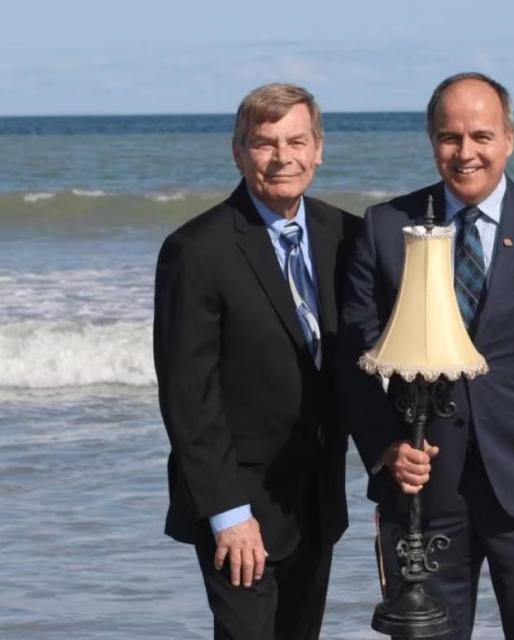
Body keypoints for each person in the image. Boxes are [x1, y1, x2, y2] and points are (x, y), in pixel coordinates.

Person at [339, 72, 514, 639]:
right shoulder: (386, 227)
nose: (466, 153)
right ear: (431, 141)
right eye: (450, 137)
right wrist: (387, 446)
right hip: (422, 492)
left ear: (509, 138)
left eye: (481, 136)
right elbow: (354, 360)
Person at [154, 83, 359, 639]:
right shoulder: (195, 250)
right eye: (264, 143)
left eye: (296, 141)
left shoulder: (347, 236)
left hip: (316, 500)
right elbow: (187, 397)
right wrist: (228, 513)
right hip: (237, 504)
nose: (282, 157)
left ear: (318, 148)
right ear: (238, 152)